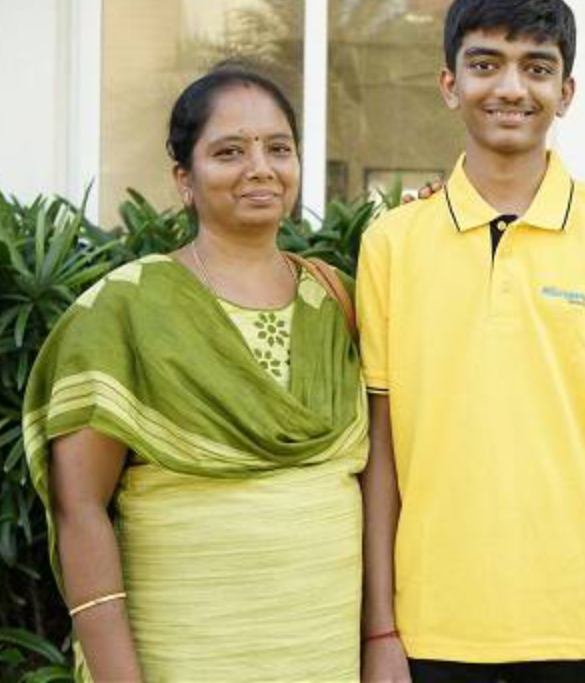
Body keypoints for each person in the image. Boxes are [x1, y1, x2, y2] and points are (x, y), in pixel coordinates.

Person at [356, 0, 585, 683]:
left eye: (537, 68)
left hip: (578, 624)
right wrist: (380, 628)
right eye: (485, 64)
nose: (510, 87)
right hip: (430, 624)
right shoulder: (391, 242)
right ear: (449, 83)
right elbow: (382, 449)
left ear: (566, 92)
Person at [23, 67, 368, 682]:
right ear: (184, 179)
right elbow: (79, 508)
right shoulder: (127, 309)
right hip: (185, 652)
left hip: (324, 652)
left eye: (278, 148)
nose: (260, 167)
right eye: (229, 151)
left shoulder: (333, 297)